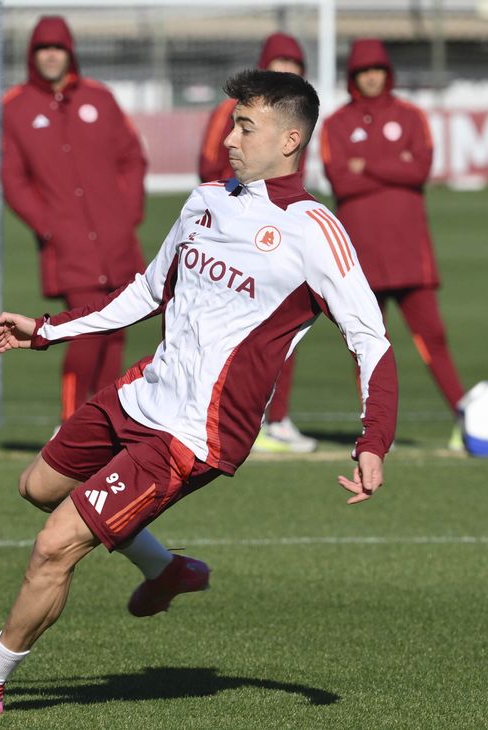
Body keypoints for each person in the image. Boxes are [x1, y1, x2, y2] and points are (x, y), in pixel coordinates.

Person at [0, 70, 398, 718]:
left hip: (194, 434)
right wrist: (45, 330)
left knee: (56, 545)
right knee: (37, 487)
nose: (229, 138)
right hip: (144, 392)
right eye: (231, 122)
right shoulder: (202, 201)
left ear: (290, 139)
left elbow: (371, 339)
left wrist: (374, 442)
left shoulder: (313, 229)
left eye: (245, 126)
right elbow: (146, 290)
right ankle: (166, 570)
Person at [1, 16, 148, 425]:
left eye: (58, 48)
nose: (51, 55)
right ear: (32, 55)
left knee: (115, 333)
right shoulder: (15, 107)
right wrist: (48, 226)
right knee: (83, 331)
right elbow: (12, 178)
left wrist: (128, 213)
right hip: (68, 245)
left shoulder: (100, 98)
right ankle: (69, 426)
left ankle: (103, 426)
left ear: (70, 52)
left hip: (116, 240)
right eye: (42, 49)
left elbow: (132, 157)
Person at [321, 38, 465, 450]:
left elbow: (419, 169)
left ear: (388, 73)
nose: (371, 77)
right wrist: (392, 167)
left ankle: (464, 414)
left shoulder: (411, 116)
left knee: (432, 337)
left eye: (378, 70)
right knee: (366, 345)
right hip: (360, 258)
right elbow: (340, 181)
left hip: (409, 253)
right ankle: (374, 430)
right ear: (353, 76)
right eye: (364, 70)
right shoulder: (335, 124)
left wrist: (367, 164)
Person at [197, 32, 317, 454]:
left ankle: (277, 417)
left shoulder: (295, 117)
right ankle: (225, 412)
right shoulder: (232, 116)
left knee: (288, 325)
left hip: (282, 236)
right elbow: (210, 169)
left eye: (293, 62)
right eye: (278, 62)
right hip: (239, 238)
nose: (287, 69)